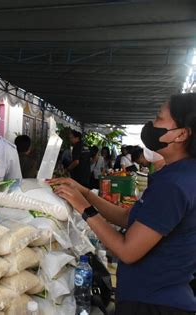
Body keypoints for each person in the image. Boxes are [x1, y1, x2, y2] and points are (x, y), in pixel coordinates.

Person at [50, 93, 196, 315]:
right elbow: (128, 218)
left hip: (152, 304)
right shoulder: (177, 174)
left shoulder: (175, 185)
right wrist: (86, 193)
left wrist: (84, 209)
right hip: (151, 296)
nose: (151, 124)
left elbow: (127, 251)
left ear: (181, 134)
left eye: (158, 118)